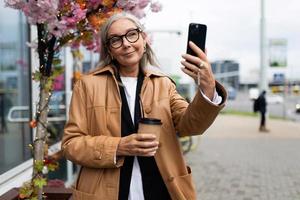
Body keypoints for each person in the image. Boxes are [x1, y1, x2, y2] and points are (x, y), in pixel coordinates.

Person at [62, 12, 227, 200]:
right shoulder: (87, 85)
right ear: (109, 49)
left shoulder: (164, 84)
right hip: (102, 192)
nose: (126, 44)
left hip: (162, 189)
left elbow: (191, 125)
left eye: (131, 34)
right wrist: (119, 146)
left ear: (144, 38)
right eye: (115, 40)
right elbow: (71, 144)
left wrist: (208, 87)